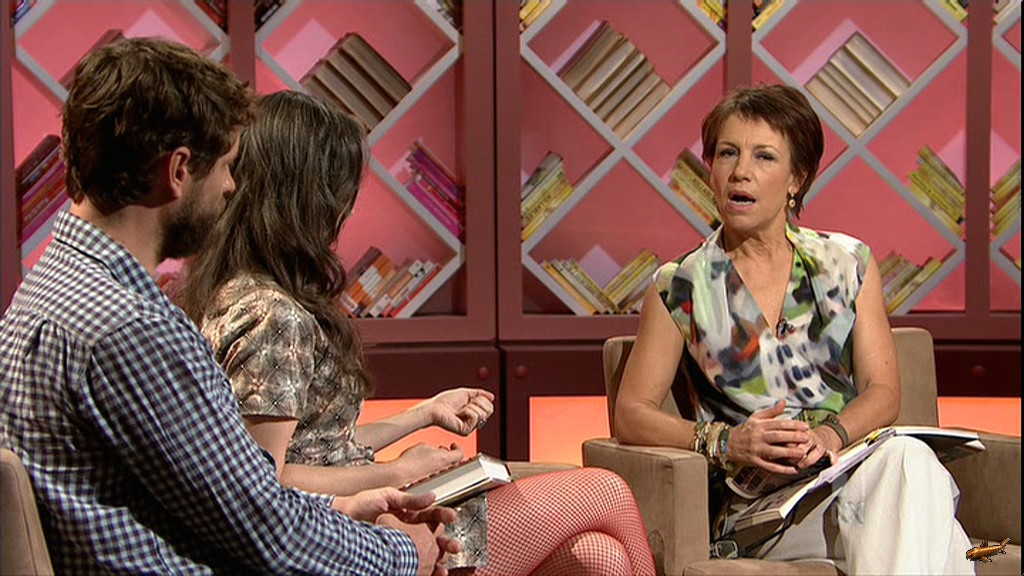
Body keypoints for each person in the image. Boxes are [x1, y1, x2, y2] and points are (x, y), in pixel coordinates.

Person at [0, 37, 461, 575]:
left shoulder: (46, 293)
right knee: (495, 530)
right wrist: (403, 553)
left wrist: (339, 510)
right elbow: (265, 530)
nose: (231, 187)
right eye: (225, 166)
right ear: (178, 171)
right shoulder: (130, 330)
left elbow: (232, 501)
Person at [175, 90, 657, 576]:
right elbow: (263, 483)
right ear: (304, 197)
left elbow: (315, 441)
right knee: (606, 491)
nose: (345, 214)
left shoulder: (241, 293)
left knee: (601, 558)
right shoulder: (274, 315)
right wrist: (399, 472)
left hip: (370, 511)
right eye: (340, 194)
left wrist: (422, 414)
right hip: (353, 535)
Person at [613, 84, 974, 574]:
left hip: (847, 473)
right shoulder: (681, 285)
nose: (740, 171)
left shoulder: (846, 263)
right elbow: (631, 413)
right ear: (711, 171)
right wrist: (726, 441)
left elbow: (883, 391)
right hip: (762, 513)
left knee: (908, 464)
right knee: (926, 507)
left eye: (763, 157)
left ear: (796, 180)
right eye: (727, 154)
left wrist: (831, 435)